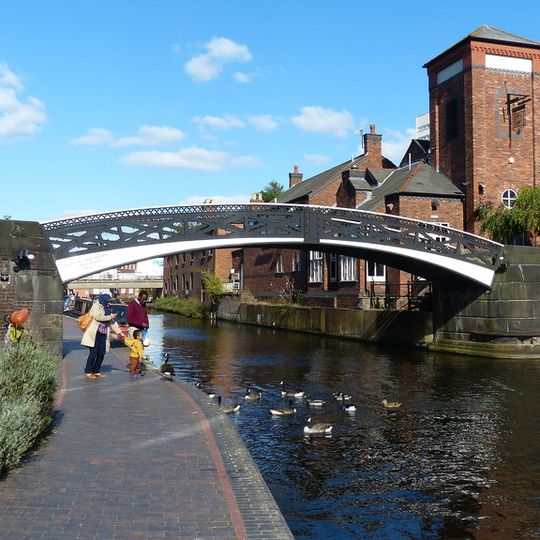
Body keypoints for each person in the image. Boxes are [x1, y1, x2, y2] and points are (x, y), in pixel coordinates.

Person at [81, 294, 123, 379]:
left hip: (103, 333)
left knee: (101, 353)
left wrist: (120, 332)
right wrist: (110, 316)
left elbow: (111, 322)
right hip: (94, 333)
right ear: (103, 300)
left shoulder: (106, 308)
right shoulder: (96, 306)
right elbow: (97, 317)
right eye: (108, 301)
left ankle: (96, 371)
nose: (109, 302)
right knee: (93, 353)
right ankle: (88, 372)